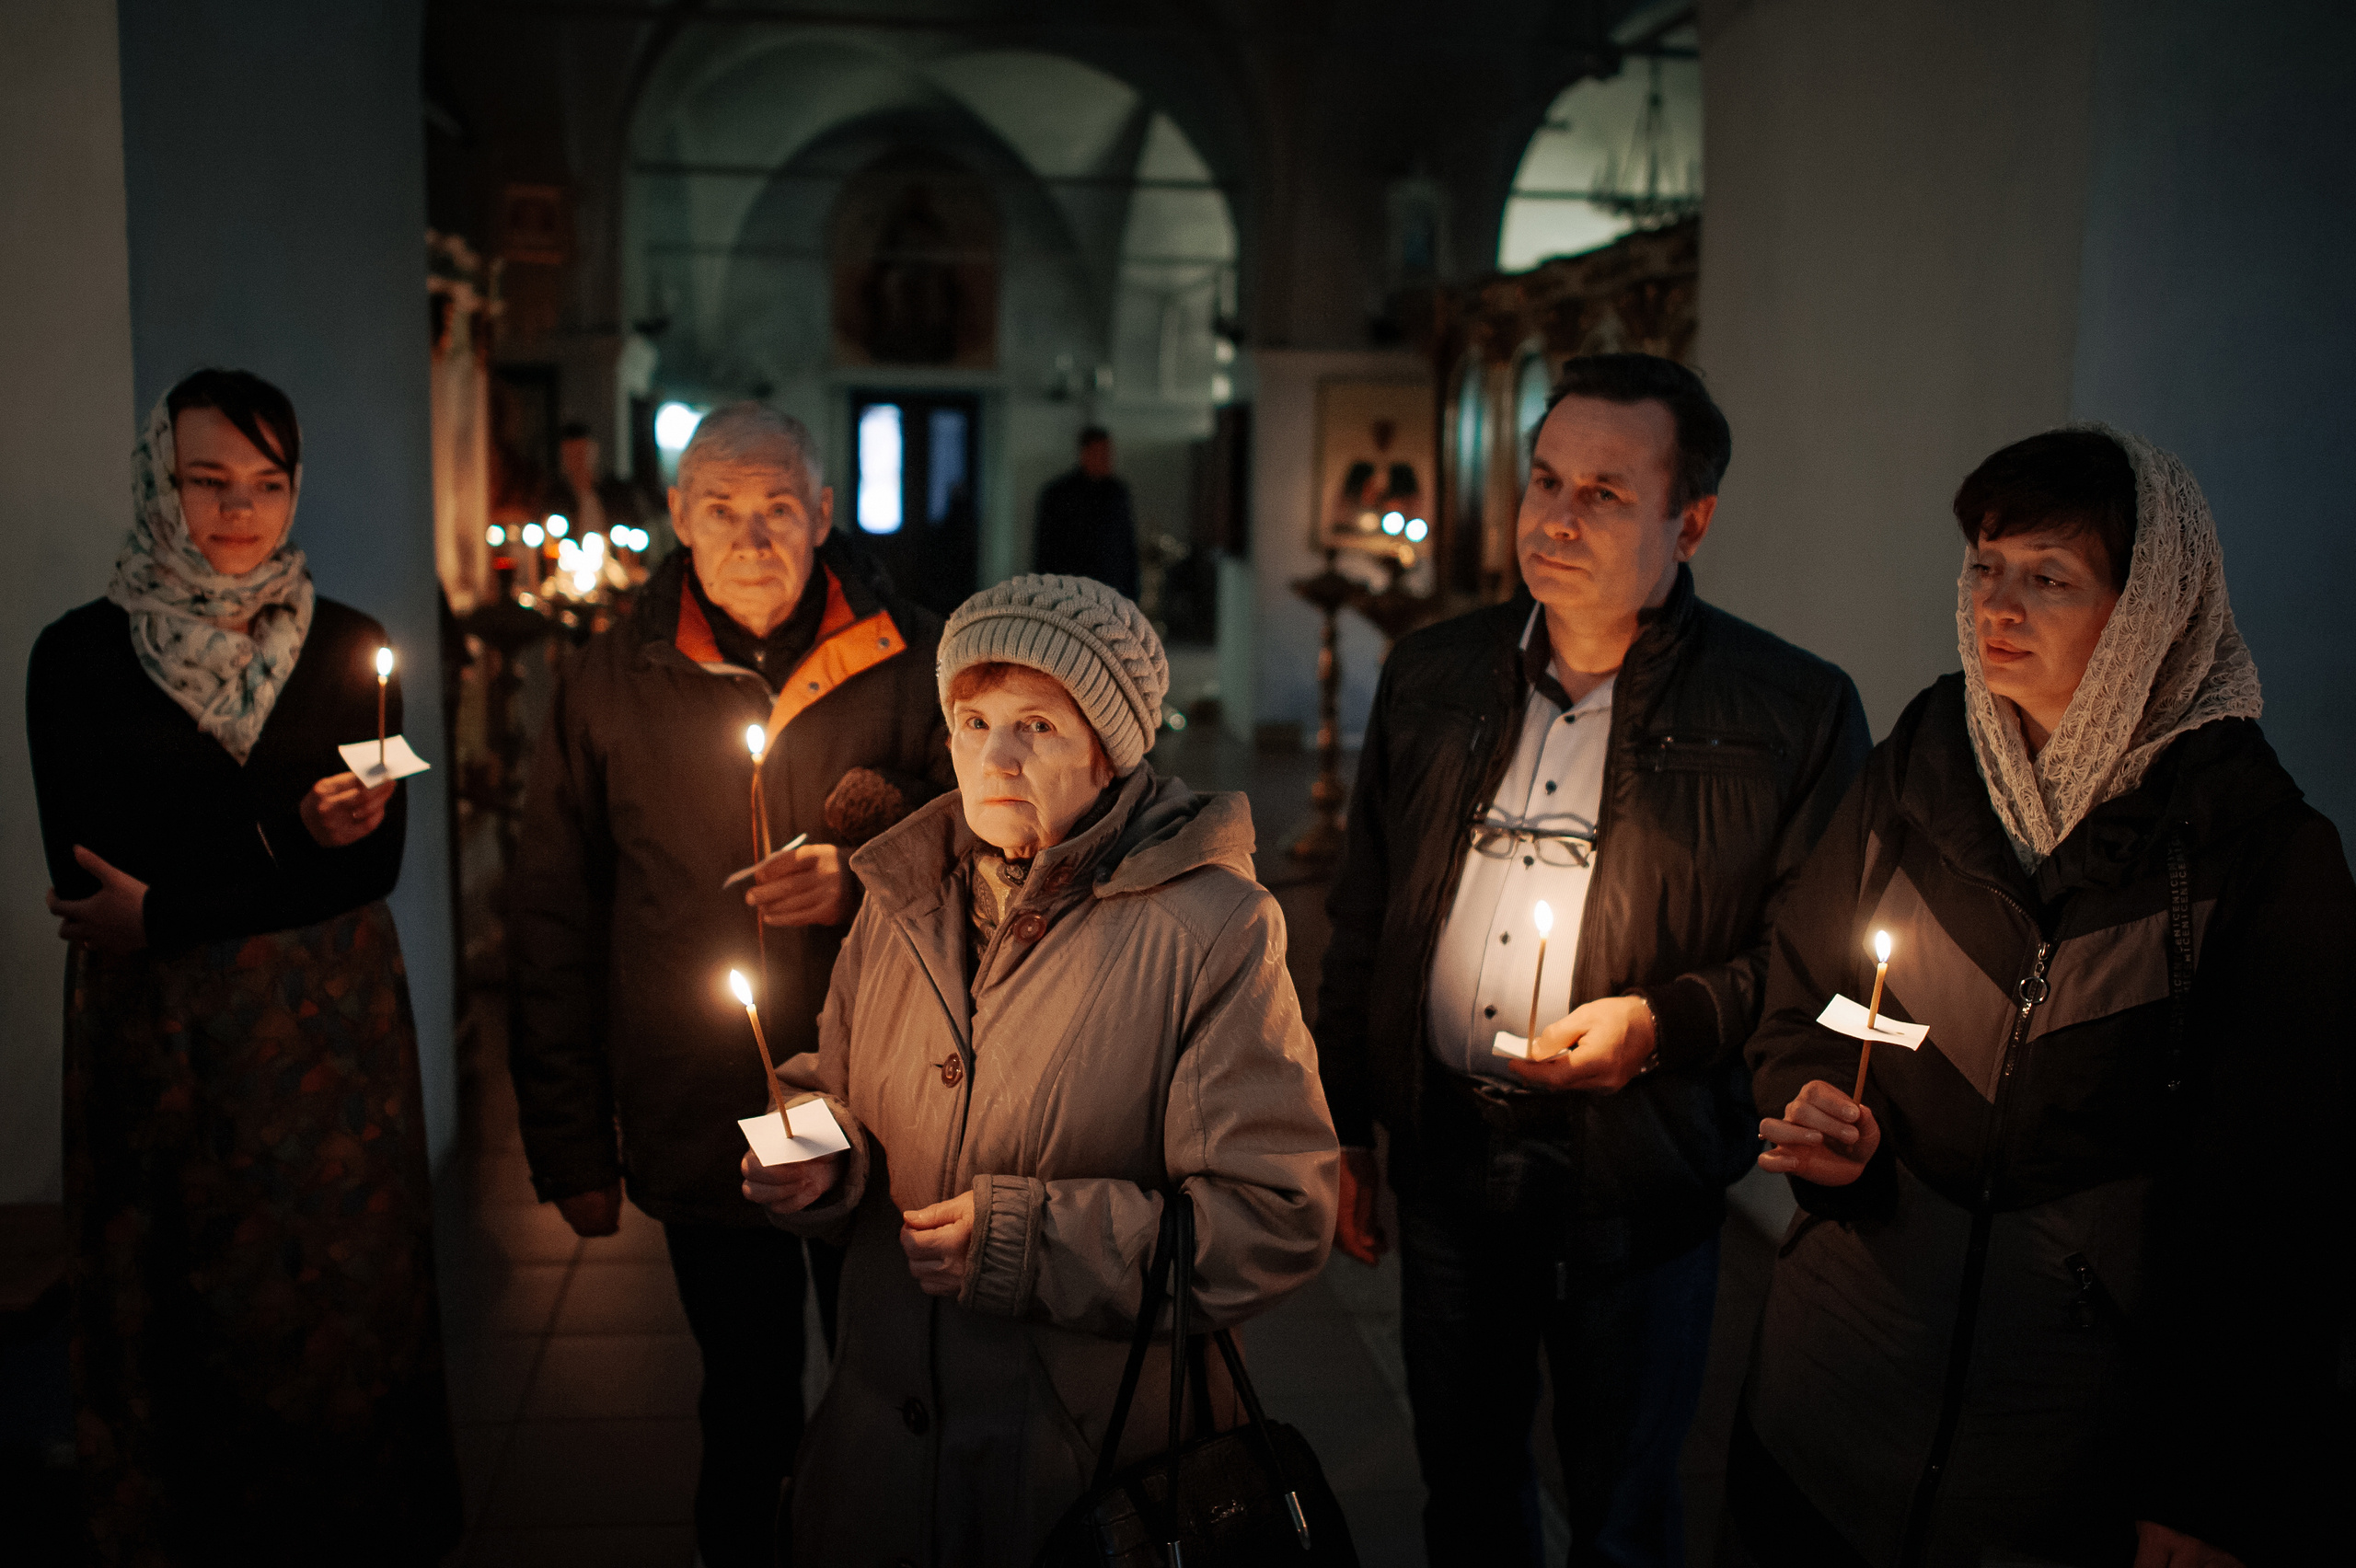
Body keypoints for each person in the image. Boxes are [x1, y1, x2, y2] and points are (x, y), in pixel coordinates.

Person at [1740, 427, 2350, 1568]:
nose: (1996, 608)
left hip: (2067, 1441)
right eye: (1983, 565)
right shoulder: (1922, 757)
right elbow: (1801, 995)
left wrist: (2208, 1482)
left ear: (2151, 612)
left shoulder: (2257, 855)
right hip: (1837, 1385)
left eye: (2049, 578)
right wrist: (1810, 1101)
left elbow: (2278, 1211)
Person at [1316, 352, 1871, 1567]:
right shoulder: (1435, 675)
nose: (1555, 519)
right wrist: (1346, 1124)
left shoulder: (1791, 709)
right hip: (1451, 1162)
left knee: (1622, 1507)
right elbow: (1366, 911)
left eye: (1606, 494)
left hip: (1636, 1179)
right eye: (1545, 481)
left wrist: (1660, 1024)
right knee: (1465, 1491)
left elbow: (1807, 955)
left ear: (1694, 518)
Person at [744, 574, 1338, 1566]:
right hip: (881, 1453)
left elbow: (1275, 1217)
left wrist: (1033, 1243)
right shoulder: (900, 890)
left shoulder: (1211, 930)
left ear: (1109, 748)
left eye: (1038, 727)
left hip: (1071, 1469)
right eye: (972, 721)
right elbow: (830, 1078)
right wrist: (809, 1151)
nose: (995, 757)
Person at [27, 369, 460, 1562]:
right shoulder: (78, 657)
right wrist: (277, 848)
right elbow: (86, 879)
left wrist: (178, 899)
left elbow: (367, 873)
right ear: (158, 484)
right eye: (206, 482)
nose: (239, 513)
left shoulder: (353, 650)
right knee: (170, 1298)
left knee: (330, 1294)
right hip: (151, 1032)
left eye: (267, 485)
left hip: (324, 1032)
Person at [508, 401, 952, 1568]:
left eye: (776, 510)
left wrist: (863, 879)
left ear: (821, 512)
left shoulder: (917, 654)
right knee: (745, 1397)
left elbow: (993, 853)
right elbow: (552, 909)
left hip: (886, 1099)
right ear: (677, 520)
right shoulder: (613, 678)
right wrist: (568, 1142)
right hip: (705, 1100)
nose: (752, 538)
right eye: (721, 511)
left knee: (893, 1390)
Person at [1033, 425, 1140, 597]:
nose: (1106, 459)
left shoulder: (1117, 493)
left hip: (1113, 591)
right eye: (1100, 453)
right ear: (1085, 453)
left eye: (1108, 453)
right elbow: (1046, 551)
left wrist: (1132, 592)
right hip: (1071, 591)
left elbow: (1126, 545)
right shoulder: (1059, 495)